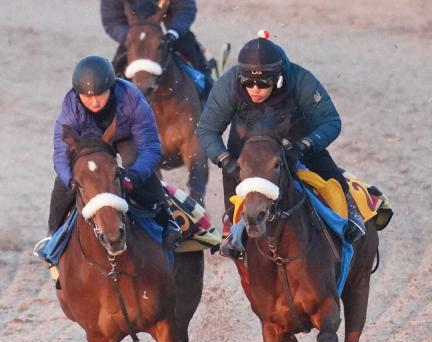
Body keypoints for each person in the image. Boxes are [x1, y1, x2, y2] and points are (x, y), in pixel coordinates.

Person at [196, 31, 365, 259]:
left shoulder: (300, 79)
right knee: (232, 175)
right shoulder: (228, 84)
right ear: (240, 77)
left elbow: (330, 121)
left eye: (263, 82)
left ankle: (351, 212)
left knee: (323, 165)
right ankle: (230, 227)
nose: (255, 89)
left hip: (295, 138)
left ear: (278, 78)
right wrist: (224, 159)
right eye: (248, 82)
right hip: (248, 145)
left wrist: (305, 145)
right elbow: (206, 129)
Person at [40, 55, 181, 254]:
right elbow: (61, 157)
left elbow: (150, 147)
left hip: (125, 138)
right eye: (87, 96)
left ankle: (167, 220)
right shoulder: (69, 111)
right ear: (77, 94)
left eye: (100, 94)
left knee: (134, 160)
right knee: (63, 179)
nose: (95, 102)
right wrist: (70, 180)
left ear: (112, 89)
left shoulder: (132, 99)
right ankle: (52, 233)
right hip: (88, 145)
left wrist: (135, 175)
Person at [100, 0, 214, 97]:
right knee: (115, 73)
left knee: (198, 64)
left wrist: (173, 31)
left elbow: (185, 8)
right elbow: (112, 20)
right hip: (134, 37)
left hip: (171, 33)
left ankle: (210, 97)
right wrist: (130, 36)